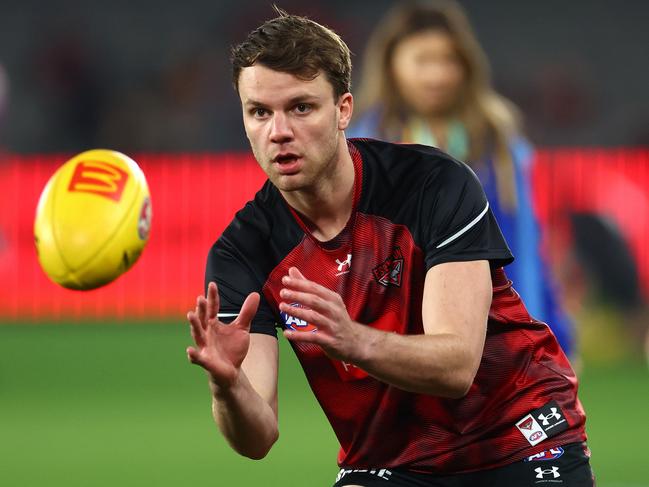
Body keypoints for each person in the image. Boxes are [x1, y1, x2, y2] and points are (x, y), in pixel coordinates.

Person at [186, 9, 594, 487]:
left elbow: (457, 366)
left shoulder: (434, 184)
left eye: (301, 107)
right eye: (259, 112)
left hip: (516, 435)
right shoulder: (243, 251)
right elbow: (257, 441)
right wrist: (227, 386)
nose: (278, 131)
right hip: (391, 460)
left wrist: (350, 339)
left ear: (343, 110)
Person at [347, 0, 575, 356]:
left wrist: (549, 329)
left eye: (448, 60)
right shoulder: (365, 143)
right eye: (422, 61)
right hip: (401, 337)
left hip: (496, 329)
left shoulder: (496, 139)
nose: (437, 75)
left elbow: (525, 244)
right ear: (391, 64)